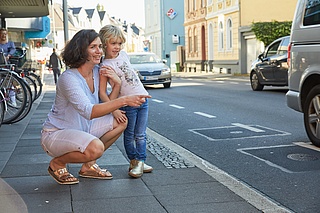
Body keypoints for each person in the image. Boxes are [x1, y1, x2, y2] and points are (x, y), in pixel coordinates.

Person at [40, 29, 151, 185]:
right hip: (57, 133)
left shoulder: (98, 71)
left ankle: (88, 165)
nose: (99, 51)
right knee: (96, 148)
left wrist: (117, 85)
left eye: (100, 46)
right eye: (93, 47)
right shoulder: (69, 78)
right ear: (81, 50)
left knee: (121, 121)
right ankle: (57, 163)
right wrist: (124, 100)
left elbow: (105, 105)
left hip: (83, 128)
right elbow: (89, 111)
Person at [99, 25, 153, 178]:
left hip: (143, 99)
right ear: (104, 44)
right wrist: (113, 109)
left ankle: (140, 161)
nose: (117, 47)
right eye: (113, 43)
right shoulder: (105, 66)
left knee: (141, 134)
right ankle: (135, 161)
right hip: (127, 103)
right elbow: (102, 92)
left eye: (119, 43)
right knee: (130, 135)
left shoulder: (124, 55)